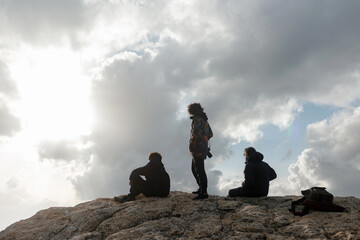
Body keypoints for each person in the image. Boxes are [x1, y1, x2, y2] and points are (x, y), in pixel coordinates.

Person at [188, 103, 213, 200]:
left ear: (192, 110)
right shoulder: (204, 120)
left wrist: (192, 146)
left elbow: (196, 134)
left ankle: (204, 192)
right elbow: (210, 134)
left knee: (199, 170)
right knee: (195, 169)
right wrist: (205, 141)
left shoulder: (197, 120)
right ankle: (201, 188)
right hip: (203, 148)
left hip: (197, 148)